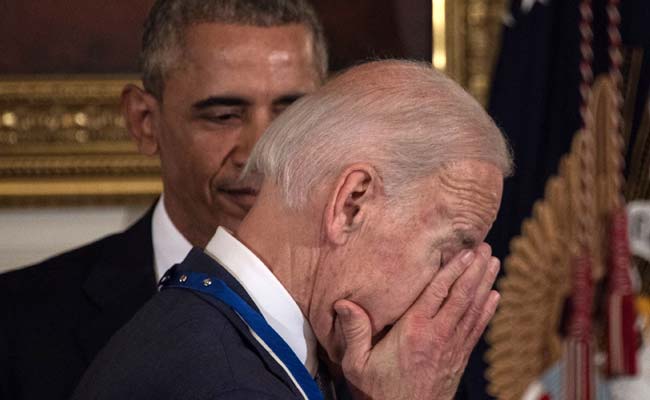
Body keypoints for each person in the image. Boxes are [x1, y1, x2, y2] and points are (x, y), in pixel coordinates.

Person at [72, 60, 512, 400]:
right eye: (448, 254)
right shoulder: (228, 386)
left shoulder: (215, 334)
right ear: (351, 204)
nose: (454, 290)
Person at [0, 1, 327, 399]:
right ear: (144, 122)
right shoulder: (17, 323)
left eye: (293, 114)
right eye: (224, 115)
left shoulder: (384, 317)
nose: (263, 150)